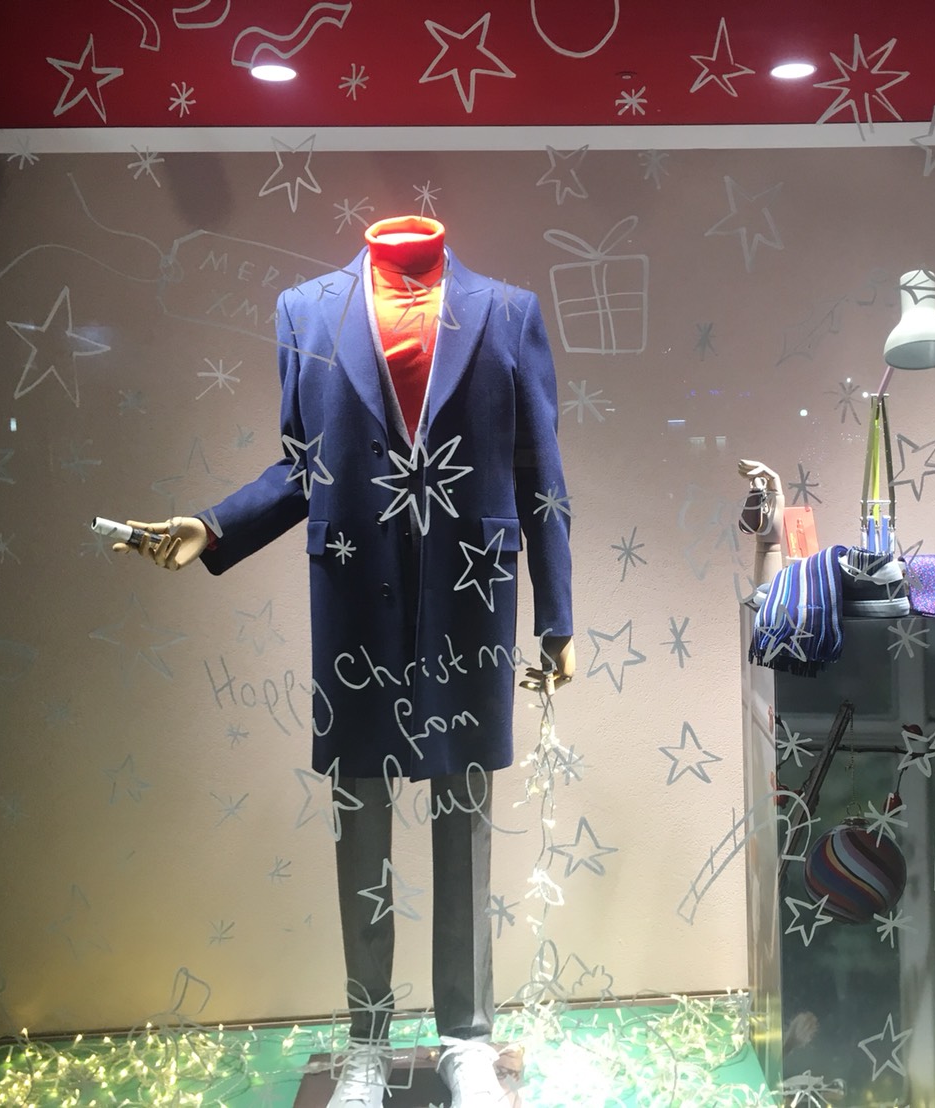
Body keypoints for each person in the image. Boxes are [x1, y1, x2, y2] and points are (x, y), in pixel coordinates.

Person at [115, 215, 573, 1107]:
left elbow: (539, 471)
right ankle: (366, 1041)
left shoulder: (508, 311)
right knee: (359, 819)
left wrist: (556, 615)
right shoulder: (306, 310)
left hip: (470, 597)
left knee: (464, 823)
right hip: (356, 598)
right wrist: (212, 526)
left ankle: (466, 1038)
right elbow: (303, 467)